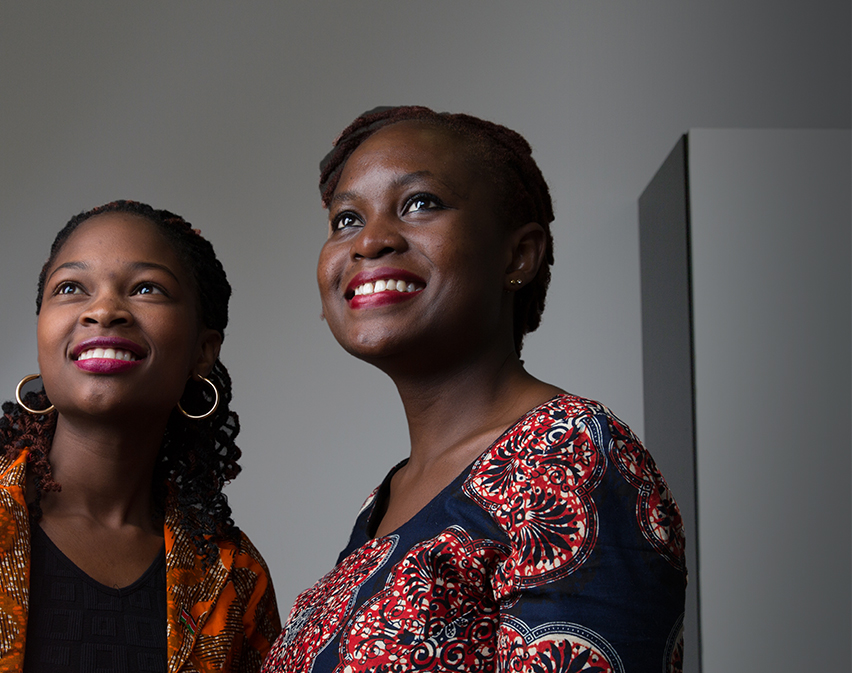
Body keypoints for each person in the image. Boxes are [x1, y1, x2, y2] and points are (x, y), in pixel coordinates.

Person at [262, 107, 685, 673]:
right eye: (346, 219)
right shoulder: (383, 503)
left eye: (419, 203)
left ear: (518, 255)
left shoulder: (569, 455)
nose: (371, 241)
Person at [0, 200, 280, 673]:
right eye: (70, 288)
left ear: (203, 351)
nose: (103, 310)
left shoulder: (232, 578)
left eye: (147, 288)